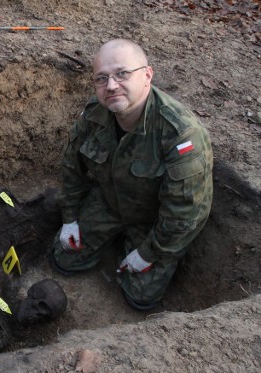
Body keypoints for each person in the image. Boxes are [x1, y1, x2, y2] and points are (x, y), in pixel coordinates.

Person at [51, 39, 213, 310]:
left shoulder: (180, 134)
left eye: (122, 74)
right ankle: (117, 243)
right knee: (63, 259)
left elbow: (186, 212)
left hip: (154, 222)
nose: (111, 85)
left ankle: (132, 247)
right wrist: (70, 218)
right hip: (109, 203)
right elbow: (72, 167)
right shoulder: (94, 115)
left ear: (147, 74)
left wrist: (149, 252)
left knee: (141, 296)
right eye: (102, 78)